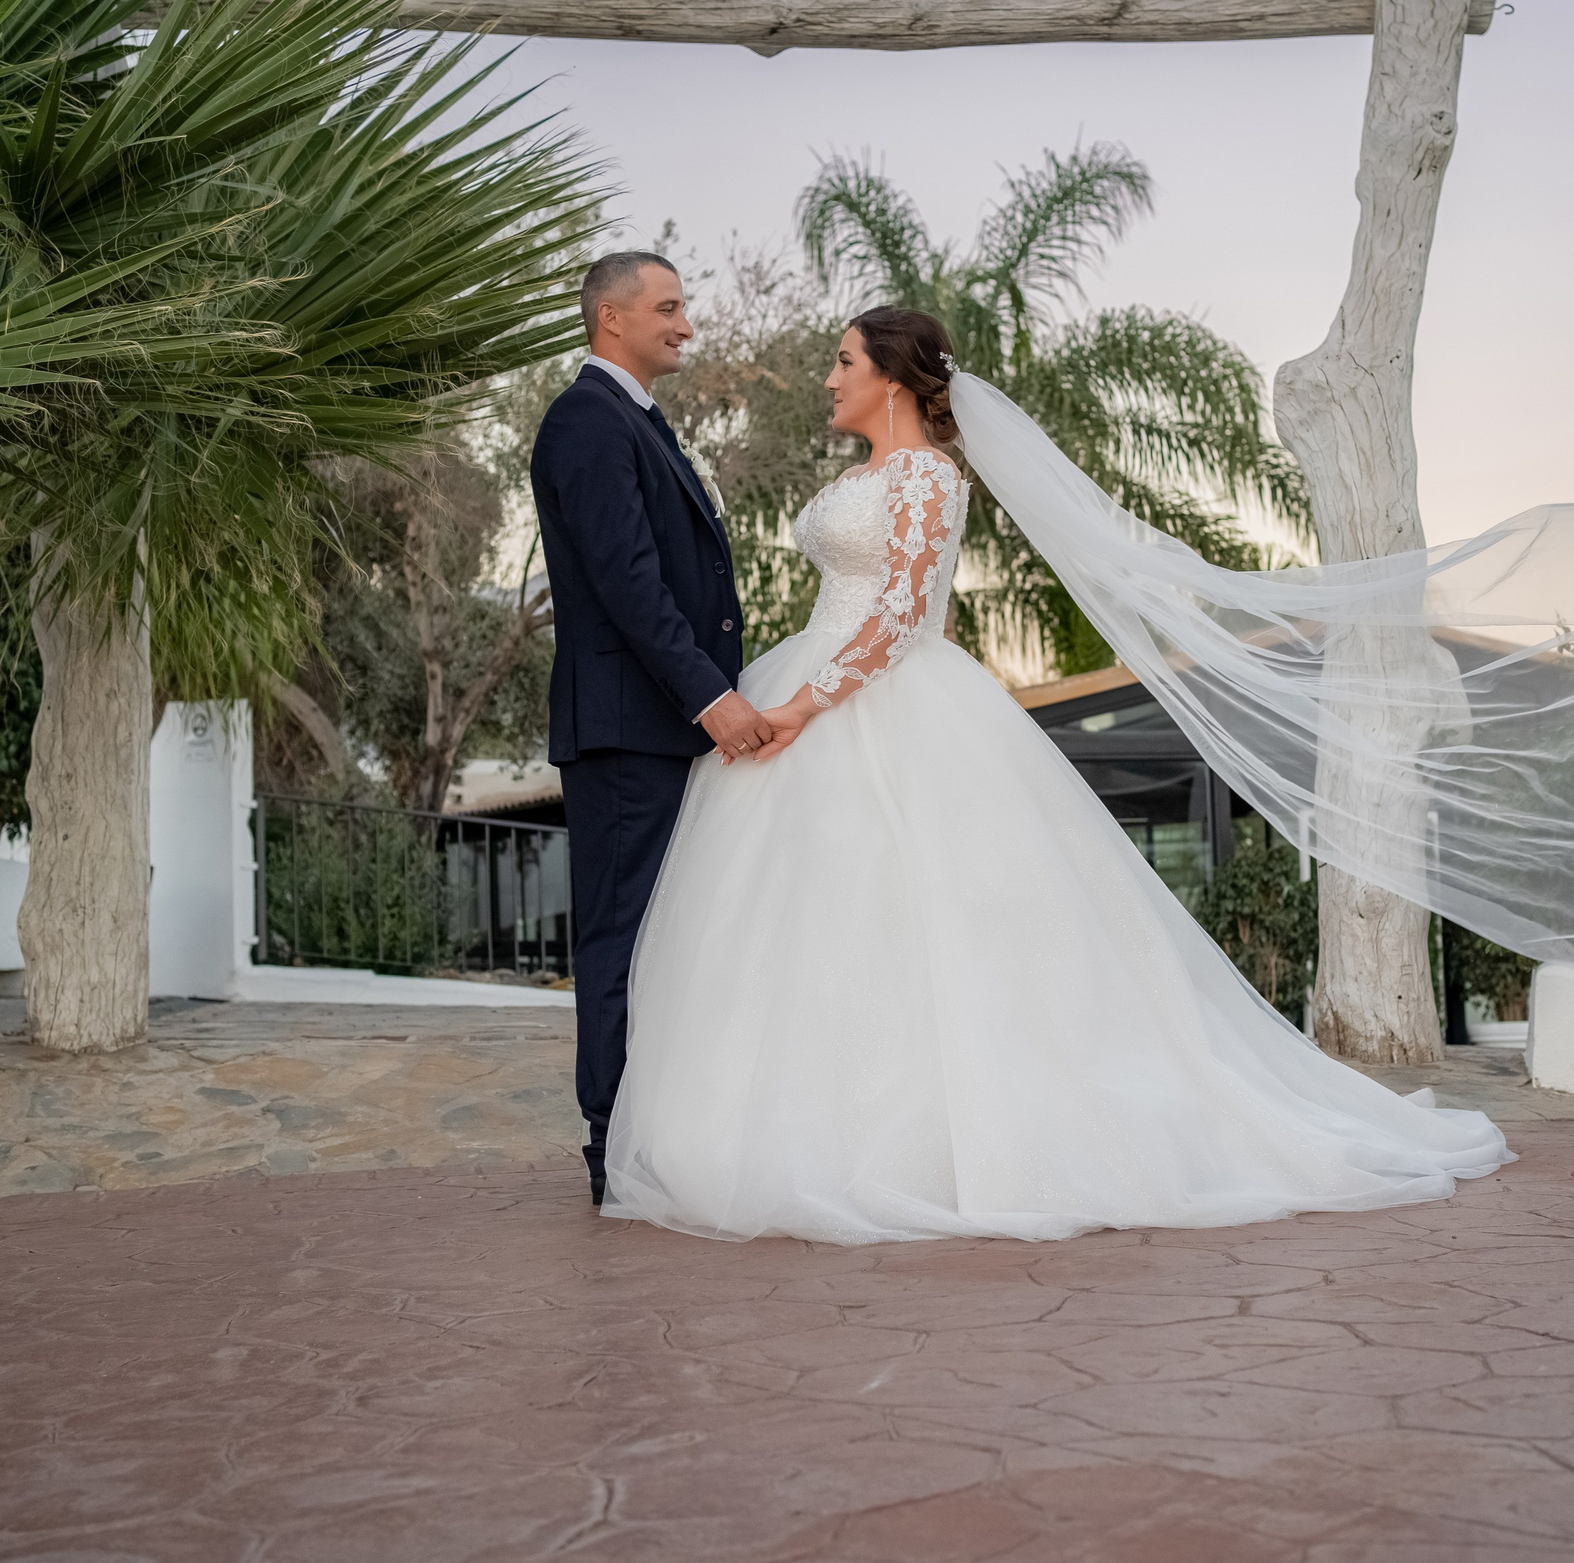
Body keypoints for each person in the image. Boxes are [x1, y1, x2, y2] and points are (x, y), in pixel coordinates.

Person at [599, 307, 1516, 1243]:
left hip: (870, 695)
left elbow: (905, 614)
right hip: (815, 681)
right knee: (806, 916)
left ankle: (933, 1136)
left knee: (922, 911)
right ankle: (792, 1122)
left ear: (894, 379)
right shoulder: (862, 477)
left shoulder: (928, 476)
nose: (829, 379)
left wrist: (804, 703)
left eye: (843, 362)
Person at [529, 251, 785, 1208]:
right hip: (628, 731)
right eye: (668, 307)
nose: (686, 323)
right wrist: (710, 697)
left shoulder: (635, 418)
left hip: (659, 728)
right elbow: (628, 580)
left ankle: (655, 1135)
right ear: (612, 318)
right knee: (623, 939)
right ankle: (612, 1148)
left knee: (666, 937)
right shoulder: (587, 421)